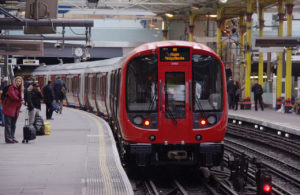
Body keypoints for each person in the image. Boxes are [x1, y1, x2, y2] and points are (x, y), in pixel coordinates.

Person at [2, 76, 24, 143]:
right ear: (15, 81)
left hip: (16, 109)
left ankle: (12, 137)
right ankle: (8, 139)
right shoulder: (11, 88)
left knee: (13, 124)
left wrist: (22, 100)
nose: (18, 82)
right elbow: (13, 96)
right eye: (17, 81)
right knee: (8, 124)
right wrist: (20, 100)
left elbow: (21, 97)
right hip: (9, 108)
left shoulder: (20, 89)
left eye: (20, 81)